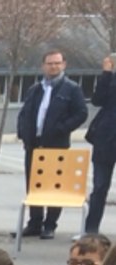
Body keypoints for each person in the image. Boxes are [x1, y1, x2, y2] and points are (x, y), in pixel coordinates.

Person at [16, 49, 88, 240]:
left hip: (57, 145)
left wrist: (61, 129)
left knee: (54, 187)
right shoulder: (35, 89)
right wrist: (24, 134)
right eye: (50, 63)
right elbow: (24, 113)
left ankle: (50, 225)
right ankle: (34, 223)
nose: (53, 66)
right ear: (43, 66)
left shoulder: (71, 89)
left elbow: (81, 114)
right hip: (34, 145)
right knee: (34, 185)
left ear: (64, 64)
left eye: (57, 63)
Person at [87, 56, 116, 233]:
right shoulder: (111, 79)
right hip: (105, 138)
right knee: (99, 187)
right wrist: (106, 73)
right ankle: (91, 230)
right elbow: (98, 100)